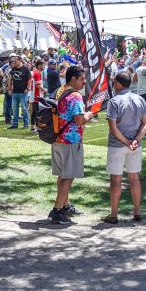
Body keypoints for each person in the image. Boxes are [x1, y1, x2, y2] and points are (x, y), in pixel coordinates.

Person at [49, 65, 95, 225]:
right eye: (82, 79)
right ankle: (57, 210)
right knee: (68, 176)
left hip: (58, 139)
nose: (84, 82)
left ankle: (64, 205)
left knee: (62, 175)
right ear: (73, 79)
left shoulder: (61, 91)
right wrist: (89, 114)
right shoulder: (75, 96)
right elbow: (79, 120)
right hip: (71, 141)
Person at [102, 71, 146, 224]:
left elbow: (113, 128)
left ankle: (114, 214)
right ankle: (137, 211)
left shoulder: (114, 101)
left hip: (117, 145)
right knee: (134, 177)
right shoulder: (139, 99)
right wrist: (135, 140)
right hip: (135, 145)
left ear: (119, 84)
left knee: (116, 179)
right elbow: (145, 123)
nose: (113, 84)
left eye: (114, 82)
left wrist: (127, 141)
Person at [6, 56, 31, 129]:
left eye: (15, 61)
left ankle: (26, 124)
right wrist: (10, 89)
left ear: (20, 61)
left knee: (24, 108)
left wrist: (28, 88)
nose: (14, 63)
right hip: (15, 92)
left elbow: (29, 79)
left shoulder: (25, 69)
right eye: (13, 62)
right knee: (15, 108)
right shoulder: (13, 69)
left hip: (23, 92)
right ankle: (15, 124)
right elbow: (10, 79)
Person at [0, 55, 13, 124]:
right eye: (14, 63)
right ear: (10, 63)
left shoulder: (7, 69)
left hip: (6, 89)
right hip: (8, 89)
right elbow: (9, 81)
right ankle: (8, 119)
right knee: (9, 104)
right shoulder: (9, 70)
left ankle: (8, 118)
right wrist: (10, 89)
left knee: (8, 103)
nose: (15, 64)